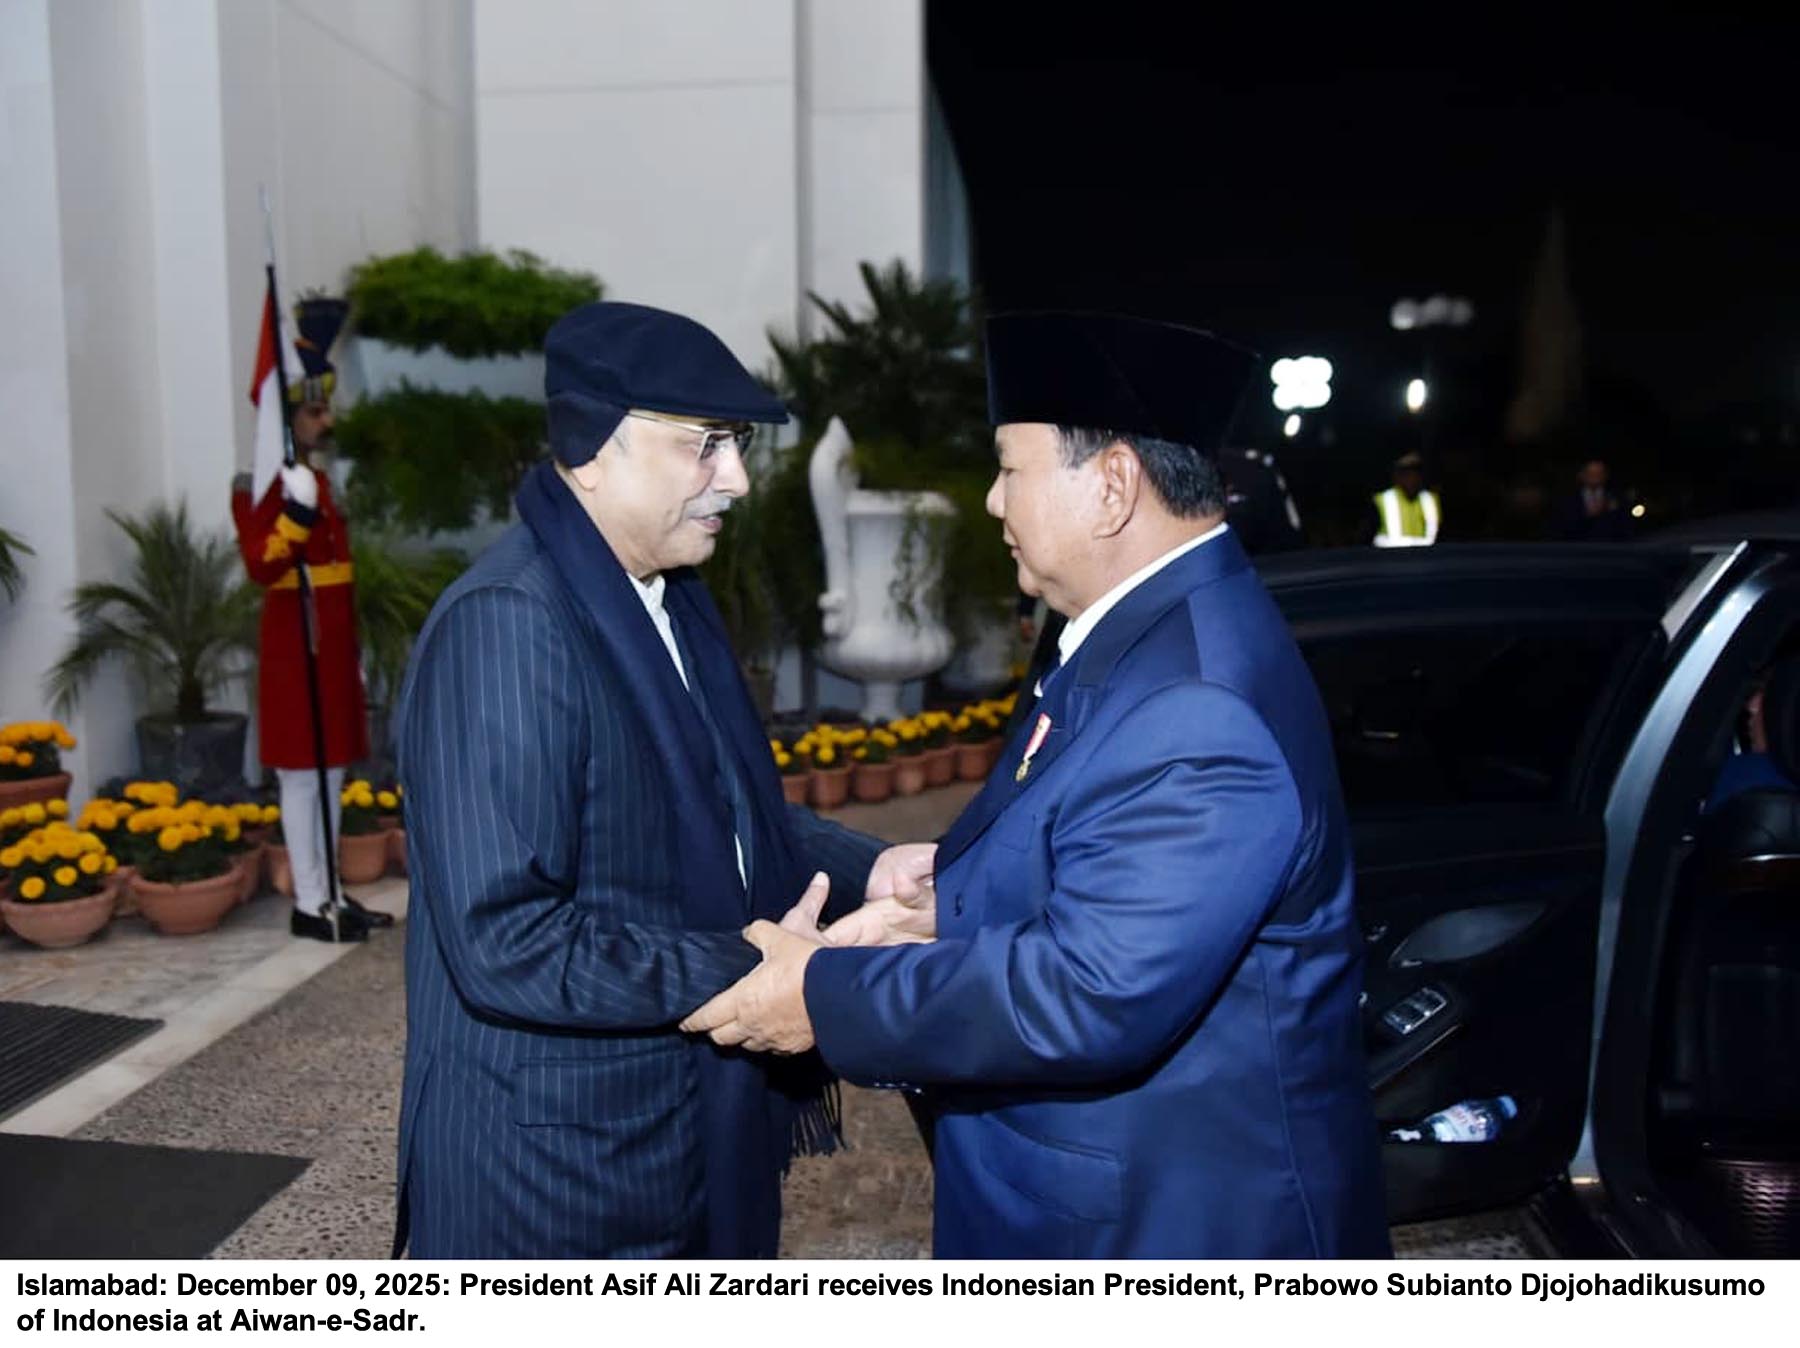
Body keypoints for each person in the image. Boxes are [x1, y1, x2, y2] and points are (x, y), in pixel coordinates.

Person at [685, 311, 1391, 1258]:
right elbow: (1099, 857)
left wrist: (825, 994)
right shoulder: (1138, 635)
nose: (991, 501)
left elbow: (1090, 992)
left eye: (1010, 469)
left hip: (1170, 1231)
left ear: (1112, 486)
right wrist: (949, 906)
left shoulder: (1196, 703)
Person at [392, 302, 928, 1259]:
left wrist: (869, 870)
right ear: (593, 449)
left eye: (738, 444)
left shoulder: (663, 598)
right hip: (557, 1179)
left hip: (672, 1136)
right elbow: (505, 942)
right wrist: (755, 966)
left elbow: (716, 814)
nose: (739, 479)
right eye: (705, 444)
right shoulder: (510, 625)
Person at [230, 297, 390, 943]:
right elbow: (261, 565)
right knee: (301, 778)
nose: (328, 420)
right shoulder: (264, 486)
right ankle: (309, 902)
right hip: (296, 647)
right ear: (287, 419)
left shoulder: (316, 480)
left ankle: (331, 894)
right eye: (315, 411)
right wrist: (294, 518)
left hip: (330, 648)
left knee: (331, 774)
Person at [1370, 451, 1441, 547]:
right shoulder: (1381, 500)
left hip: (1425, 554)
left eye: (1415, 473)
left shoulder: (1431, 499)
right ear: (1397, 476)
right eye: (1407, 474)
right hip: (1389, 554)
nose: (1412, 478)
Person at [1552, 458, 1633, 541]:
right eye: (1591, 473)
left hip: (1609, 545)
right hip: (1576, 544)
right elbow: (1562, 527)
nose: (1595, 477)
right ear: (1582, 475)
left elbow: (1625, 526)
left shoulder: (1617, 497)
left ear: (1605, 475)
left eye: (1599, 473)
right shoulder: (1568, 500)